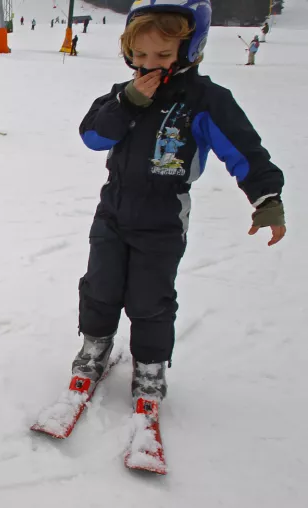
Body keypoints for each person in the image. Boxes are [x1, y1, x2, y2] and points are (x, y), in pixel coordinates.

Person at [74, 0, 285, 414]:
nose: (149, 64)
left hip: (164, 218)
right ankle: (94, 347)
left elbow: (243, 149)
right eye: (140, 55)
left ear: (190, 49)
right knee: (100, 286)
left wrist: (267, 198)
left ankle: (150, 367)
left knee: (151, 299)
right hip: (113, 211)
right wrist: (129, 103)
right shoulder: (121, 96)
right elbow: (93, 137)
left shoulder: (205, 100)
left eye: (163, 55)